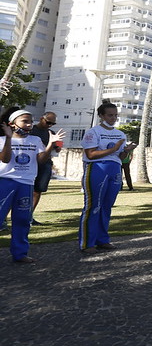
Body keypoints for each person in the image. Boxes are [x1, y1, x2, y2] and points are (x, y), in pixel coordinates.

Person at [0, 109, 64, 262]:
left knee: (22, 219)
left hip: (27, 183)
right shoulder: (2, 140)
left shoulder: (35, 140)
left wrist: (50, 144)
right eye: (25, 121)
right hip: (6, 182)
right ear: (13, 124)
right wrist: (9, 138)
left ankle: (20, 253)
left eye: (30, 121)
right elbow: (5, 159)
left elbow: (41, 160)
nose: (29, 124)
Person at [79, 102, 137, 253]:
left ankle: (102, 239)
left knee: (107, 206)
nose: (113, 118)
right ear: (101, 116)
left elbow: (121, 156)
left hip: (115, 169)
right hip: (97, 168)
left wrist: (126, 150)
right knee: (93, 206)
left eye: (115, 115)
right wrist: (114, 148)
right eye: (110, 115)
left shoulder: (120, 134)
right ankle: (87, 243)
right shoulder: (93, 132)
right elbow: (90, 154)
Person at [29, 111, 61, 225]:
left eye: (53, 123)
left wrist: (57, 148)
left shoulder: (51, 133)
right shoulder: (31, 130)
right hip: (30, 162)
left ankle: (29, 216)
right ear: (42, 118)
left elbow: (56, 146)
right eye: (48, 122)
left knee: (38, 190)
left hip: (45, 163)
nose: (50, 125)